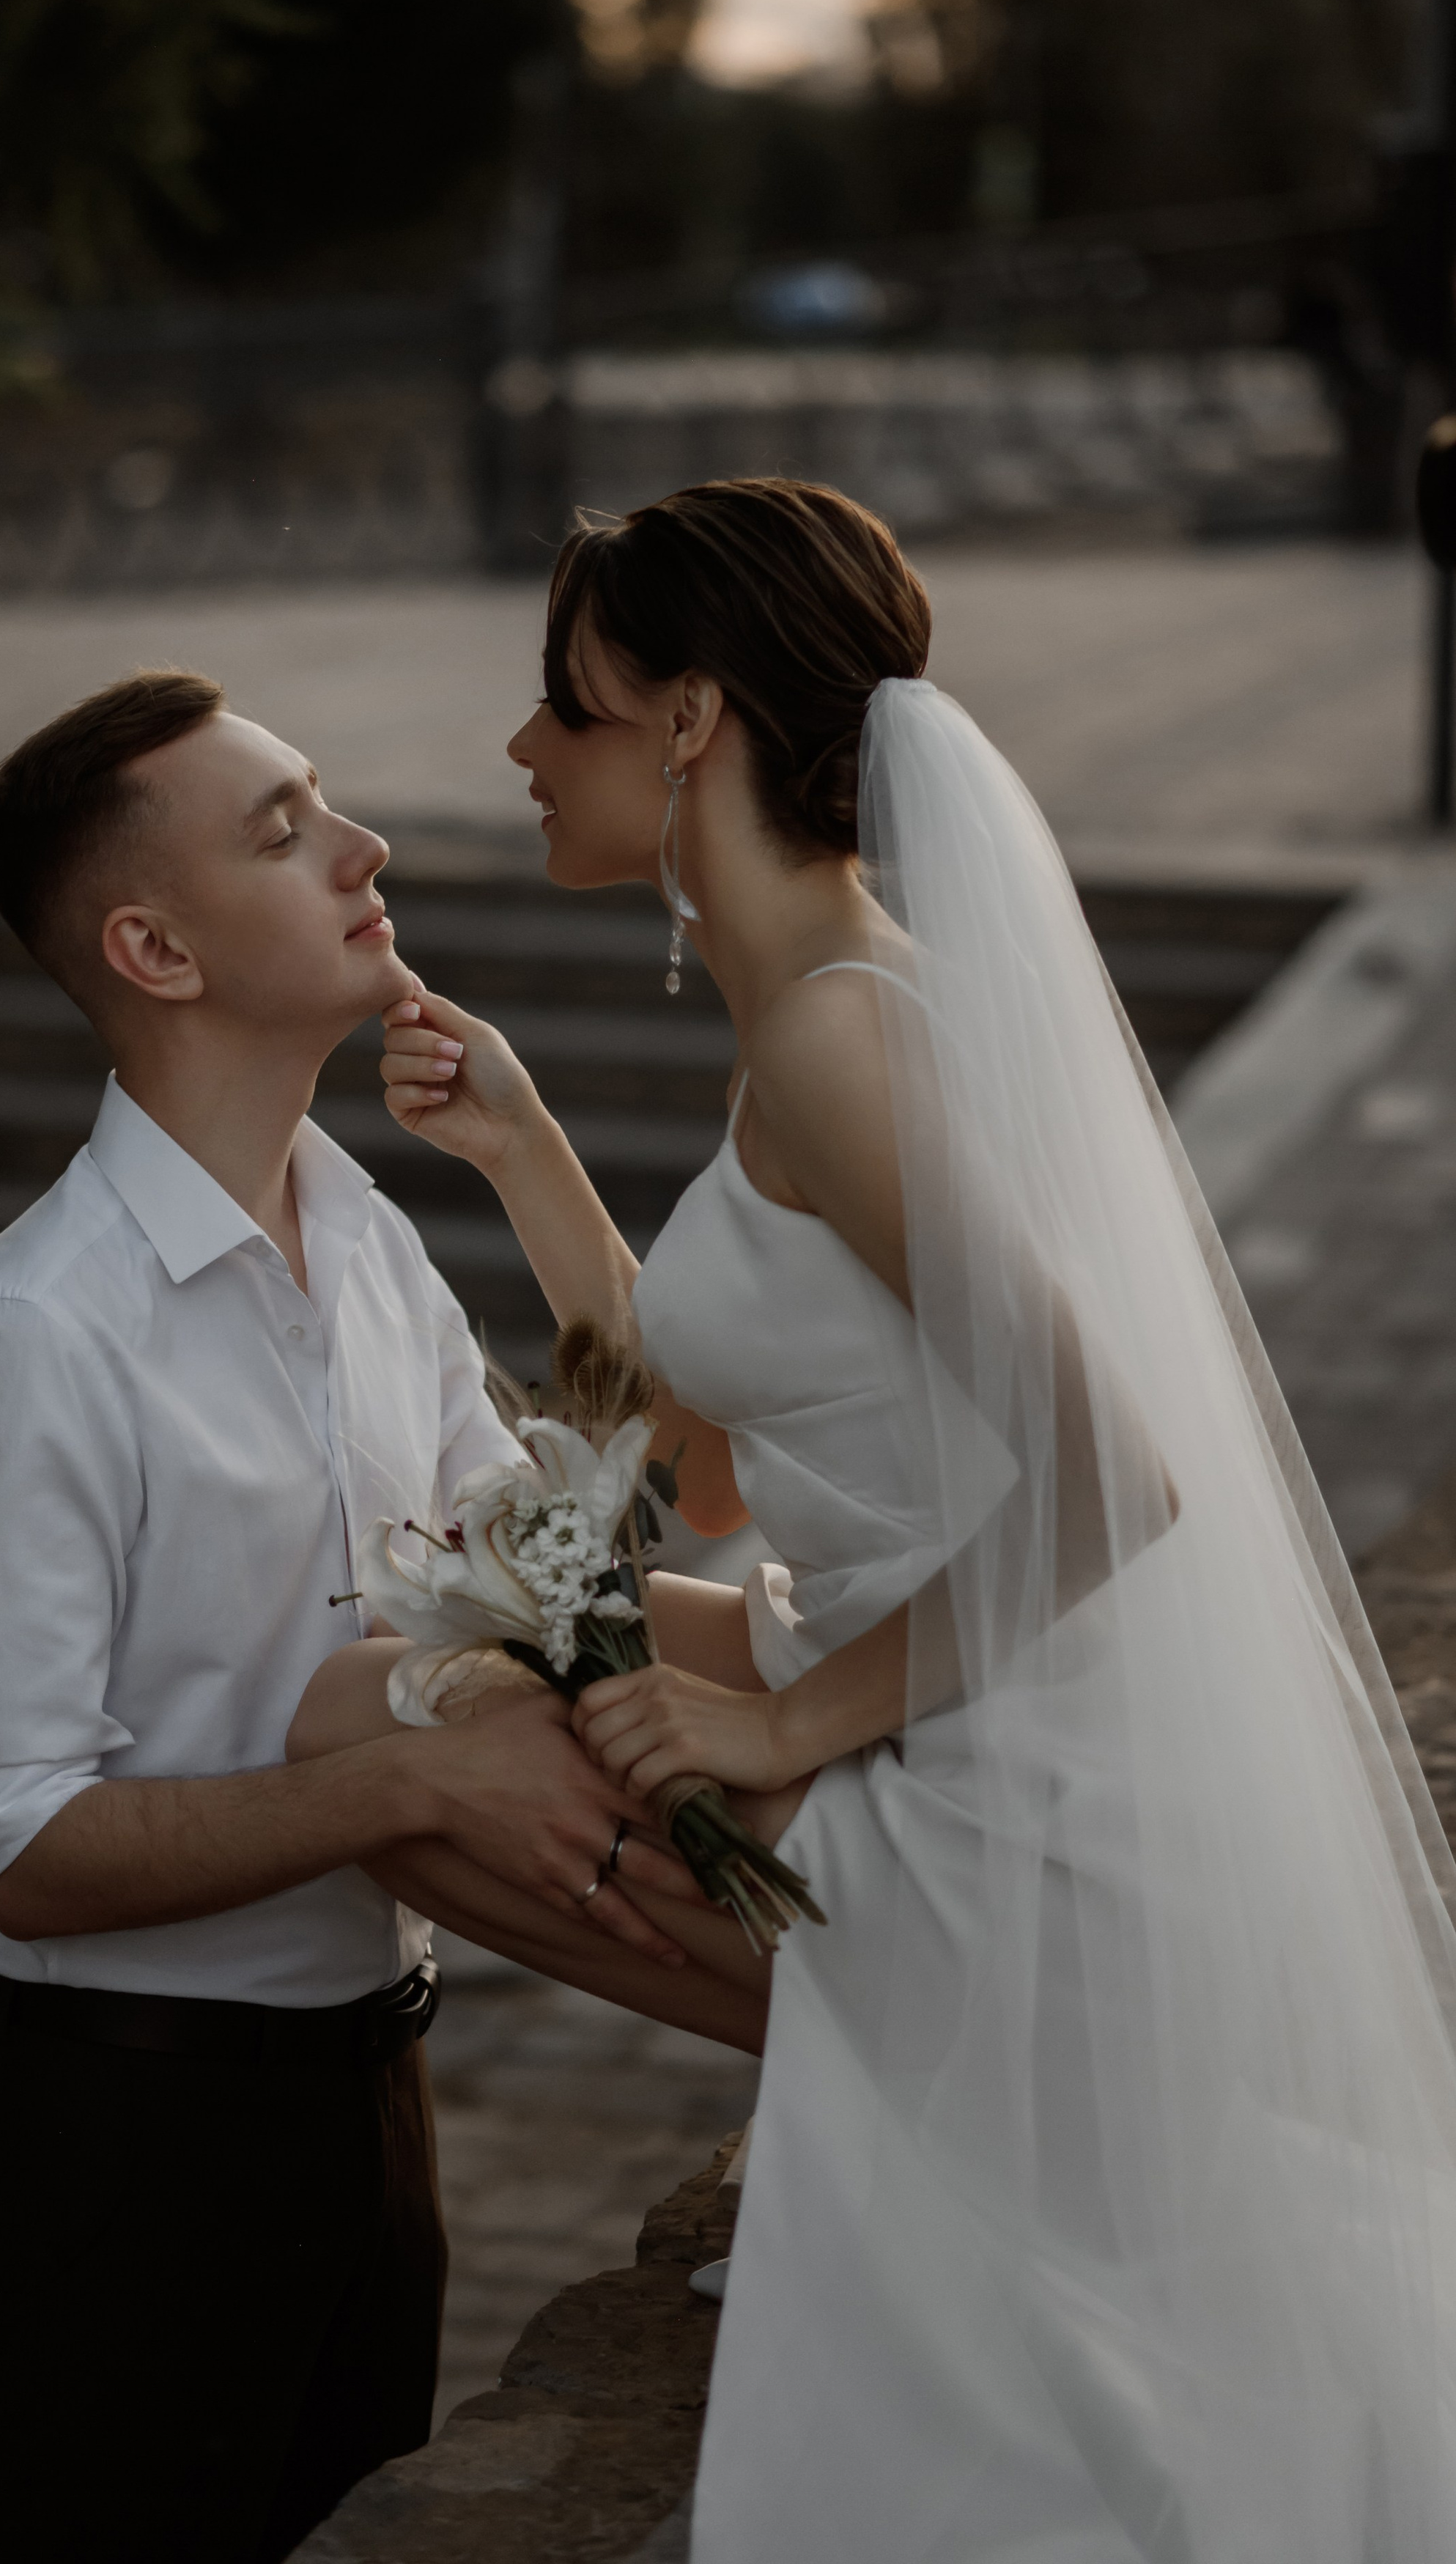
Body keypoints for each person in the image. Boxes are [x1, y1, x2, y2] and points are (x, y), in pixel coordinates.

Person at [292, 481, 1456, 2557]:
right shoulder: (812, 1018)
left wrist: (777, 1727)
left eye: (562, 700)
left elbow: (1120, 1471)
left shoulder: (841, 1034)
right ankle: (869, 2095)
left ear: (688, 722)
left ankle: (894, 2105)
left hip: (1022, 1778)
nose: (518, 749)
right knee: (412, 1681)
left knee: (376, 1732)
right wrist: (532, 1156)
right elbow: (707, 1474)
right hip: (953, 1674)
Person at [0, 669, 760, 2564]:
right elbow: (26, 1848)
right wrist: (412, 1798)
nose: (364, 849)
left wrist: (530, 1161)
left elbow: (576, 1570)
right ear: (154, 947)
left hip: (374, 2092)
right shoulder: (39, 1340)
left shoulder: (359, 1235)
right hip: (127, 2132)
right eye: (284, 833)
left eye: (330, 805)